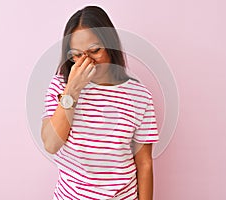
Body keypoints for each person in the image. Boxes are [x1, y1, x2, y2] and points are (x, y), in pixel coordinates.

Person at [41, 5, 160, 200]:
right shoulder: (60, 86)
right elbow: (51, 144)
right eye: (77, 55)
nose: (86, 62)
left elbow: (144, 163)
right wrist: (72, 90)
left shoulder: (139, 96)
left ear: (110, 46)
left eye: (95, 50)